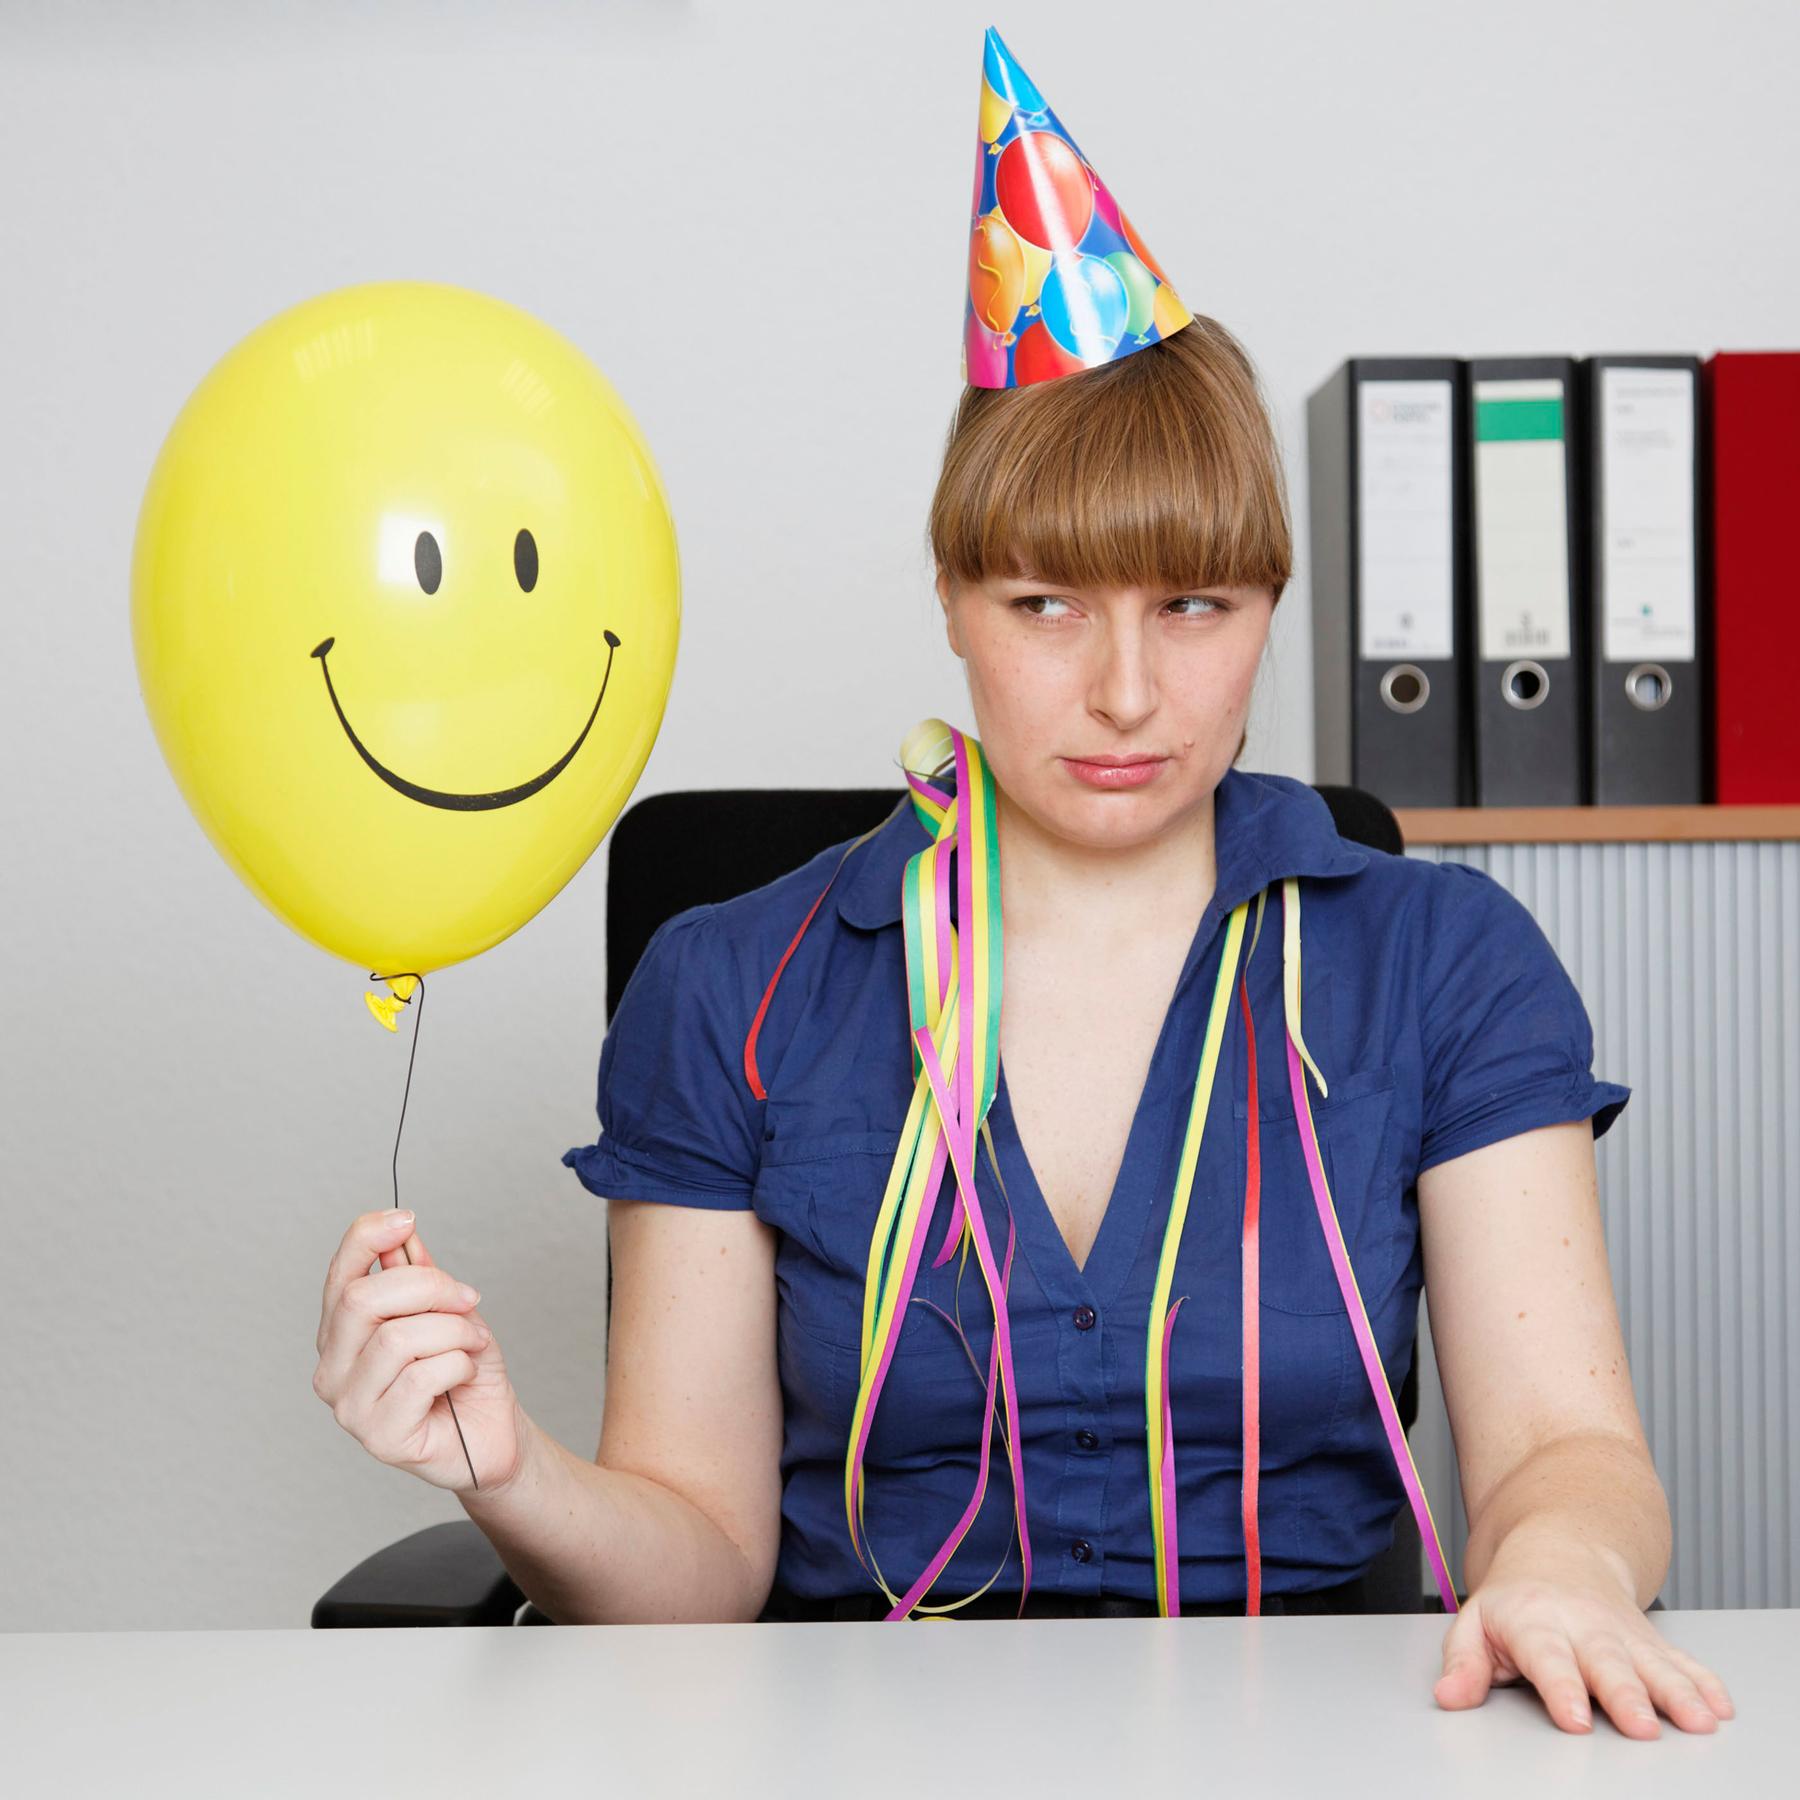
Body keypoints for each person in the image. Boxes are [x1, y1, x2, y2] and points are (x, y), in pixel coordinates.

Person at [310, 26, 1734, 1741]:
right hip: (851, 1747)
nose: (1126, 693)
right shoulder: (728, 986)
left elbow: (1568, 1453)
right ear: (950, 597)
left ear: (1270, 607)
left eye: (1193, 607)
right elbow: (696, 1558)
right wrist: (506, 1465)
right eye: (1046, 605)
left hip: (1325, 1740)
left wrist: (1566, 1566)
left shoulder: (1447, 964)